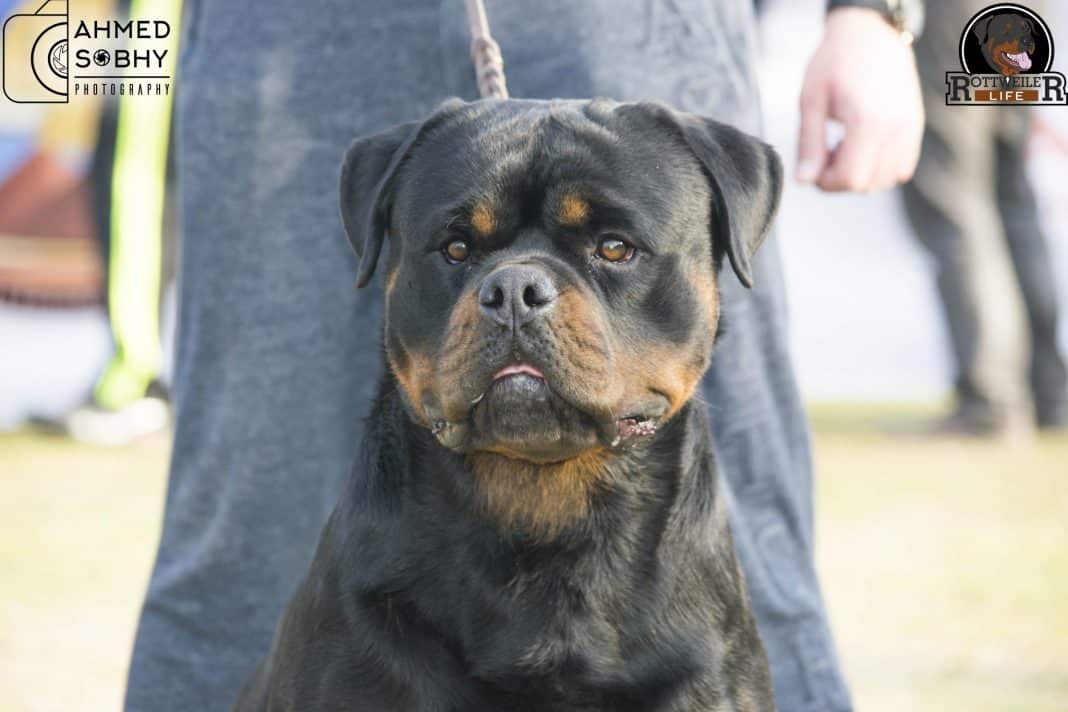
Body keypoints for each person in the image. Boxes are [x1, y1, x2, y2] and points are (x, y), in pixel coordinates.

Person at [123, 2, 923, 710]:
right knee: (242, 515)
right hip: (290, 30)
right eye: (458, 251)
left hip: (637, 18)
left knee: (752, 534)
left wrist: (871, 12)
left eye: (613, 246)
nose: (516, 296)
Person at [902, 0, 1067, 436]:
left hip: (949, 12)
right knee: (1010, 194)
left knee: (950, 196)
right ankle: (1048, 393)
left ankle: (991, 401)